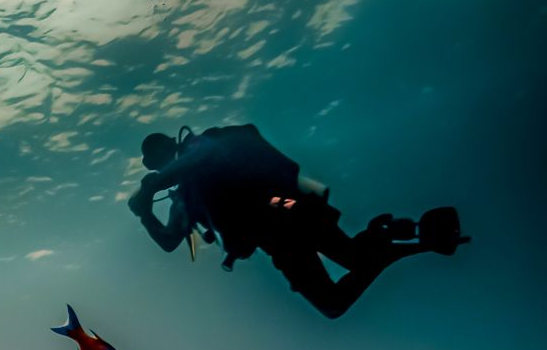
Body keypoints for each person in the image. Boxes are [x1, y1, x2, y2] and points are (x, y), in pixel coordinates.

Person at [126, 125, 467, 318]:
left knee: (349, 268)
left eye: (159, 157)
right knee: (334, 300)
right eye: (154, 165)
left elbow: (205, 155)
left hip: (287, 208)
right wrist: (145, 213)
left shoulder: (201, 145)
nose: (159, 165)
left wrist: (153, 186)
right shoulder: (184, 195)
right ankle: (393, 238)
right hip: (274, 239)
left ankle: (389, 240)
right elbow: (171, 240)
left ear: (170, 145)